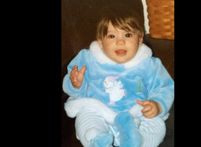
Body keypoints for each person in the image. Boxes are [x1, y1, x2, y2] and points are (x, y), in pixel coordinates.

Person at [63, 7, 174, 147]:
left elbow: (164, 87)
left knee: (156, 124)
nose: (120, 42)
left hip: (136, 113)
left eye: (127, 35)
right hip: (99, 111)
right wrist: (76, 83)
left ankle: (140, 142)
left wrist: (157, 104)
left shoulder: (149, 64)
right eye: (111, 36)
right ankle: (97, 140)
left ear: (140, 39)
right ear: (101, 42)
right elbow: (71, 79)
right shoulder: (88, 59)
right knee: (85, 119)